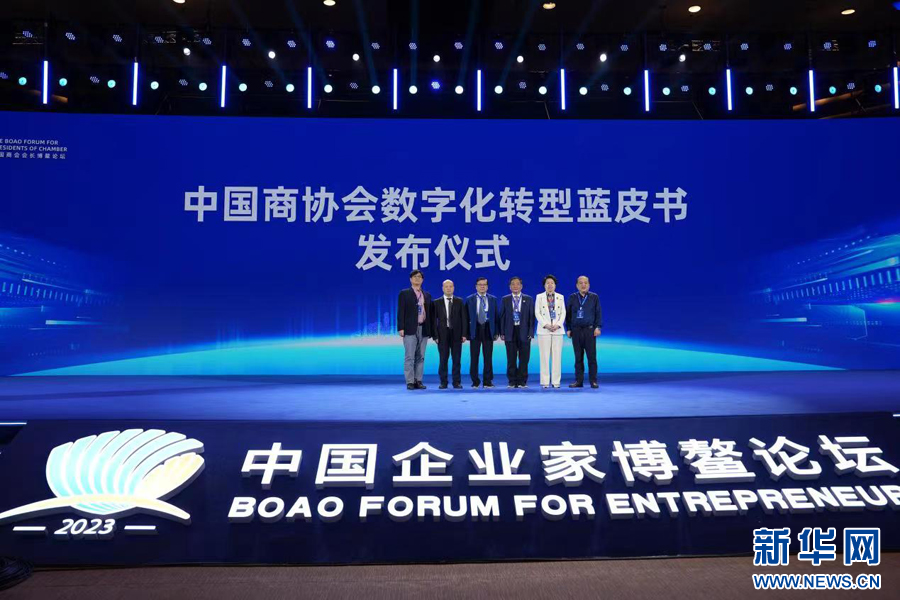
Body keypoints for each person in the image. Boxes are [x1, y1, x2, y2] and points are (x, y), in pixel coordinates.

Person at [397, 269, 433, 390]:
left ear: (422, 280)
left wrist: (431, 330)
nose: (417, 279)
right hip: (409, 328)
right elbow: (401, 311)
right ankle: (410, 381)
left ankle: (418, 380)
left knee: (421, 356)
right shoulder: (404, 293)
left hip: (424, 328)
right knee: (410, 356)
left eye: (419, 277)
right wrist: (401, 327)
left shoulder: (427, 295)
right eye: (415, 277)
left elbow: (430, 313)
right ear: (410, 279)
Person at [565, 275, 602, 388]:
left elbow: (598, 313)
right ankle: (578, 381)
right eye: (580, 283)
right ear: (577, 285)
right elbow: (568, 314)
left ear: (589, 285)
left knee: (592, 357)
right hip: (576, 331)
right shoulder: (572, 297)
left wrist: (598, 327)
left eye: (585, 283)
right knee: (578, 358)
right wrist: (568, 328)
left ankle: (593, 381)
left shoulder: (594, 297)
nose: (583, 285)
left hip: (589, 331)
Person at [498, 276, 535, 388]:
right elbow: (502, 317)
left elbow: (531, 317)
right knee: (511, 358)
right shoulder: (505, 299)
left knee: (524, 358)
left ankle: (522, 381)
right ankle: (512, 381)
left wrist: (531, 332)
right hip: (510, 331)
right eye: (513, 284)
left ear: (521, 286)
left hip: (524, 332)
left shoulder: (528, 299)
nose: (515, 286)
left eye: (517, 284)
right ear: (510, 287)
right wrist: (502, 332)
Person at [432, 279, 468, 389]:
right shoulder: (436, 302)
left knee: (456, 359)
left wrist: (464, 334)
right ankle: (443, 382)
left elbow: (464, 319)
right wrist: (435, 335)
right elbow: (433, 321)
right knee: (443, 359)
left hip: (457, 334)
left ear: (454, 288)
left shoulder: (459, 301)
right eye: (446, 286)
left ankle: (456, 382)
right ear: (442, 288)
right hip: (442, 334)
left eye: (450, 286)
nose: (448, 288)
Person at [465, 276, 499, 388]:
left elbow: (496, 317)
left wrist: (496, 332)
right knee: (474, 357)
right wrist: (466, 333)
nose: (482, 286)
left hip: (488, 329)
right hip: (475, 329)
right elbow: (465, 317)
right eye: (480, 285)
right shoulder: (470, 299)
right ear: (476, 287)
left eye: (484, 284)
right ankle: (475, 381)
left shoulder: (493, 299)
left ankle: (487, 381)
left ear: (487, 287)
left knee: (488, 357)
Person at [534, 274, 566, 389]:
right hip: (544, 330)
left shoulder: (560, 297)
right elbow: (537, 312)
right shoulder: (539, 297)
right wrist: (546, 325)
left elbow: (563, 313)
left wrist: (558, 325)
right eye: (547, 283)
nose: (550, 285)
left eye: (552, 283)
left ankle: (556, 382)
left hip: (557, 330)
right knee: (544, 356)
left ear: (555, 285)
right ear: (544, 285)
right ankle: (545, 382)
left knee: (557, 356)